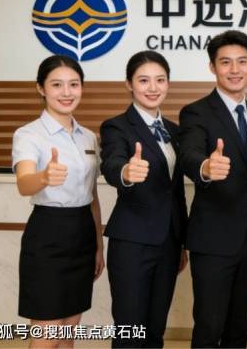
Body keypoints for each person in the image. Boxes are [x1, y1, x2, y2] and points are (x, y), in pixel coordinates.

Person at [178, 30, 247, 348]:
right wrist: (205, 166)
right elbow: (189, 154)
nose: (235, 69)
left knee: (238, 328)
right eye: (226, 62)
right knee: (209, 326)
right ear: (212, 67)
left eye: (242, 62)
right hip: (213, 238)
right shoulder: (196, 112)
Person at [12, 55, 105, 348]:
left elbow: (92, 194)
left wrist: (99, 245)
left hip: (83, 234)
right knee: (48, 332)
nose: (67, 92)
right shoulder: (28, 134)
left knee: (68, 332)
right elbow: (24, 183)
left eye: (74, 84)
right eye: (57, 85)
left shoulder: (89, 137)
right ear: (41, 88)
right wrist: (43, 177)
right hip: (48, 235)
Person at [99, 51, 188, 348]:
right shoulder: (117, 126)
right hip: (133, 241)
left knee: (154, 330)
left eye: (160, 80)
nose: (153, 88)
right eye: (143, 80)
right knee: (130, 329)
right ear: (129, 84)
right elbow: (112, 163)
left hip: (168, 242)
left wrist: (182, 241)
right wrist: (125, 172)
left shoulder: (174, 131)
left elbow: (176, 190)